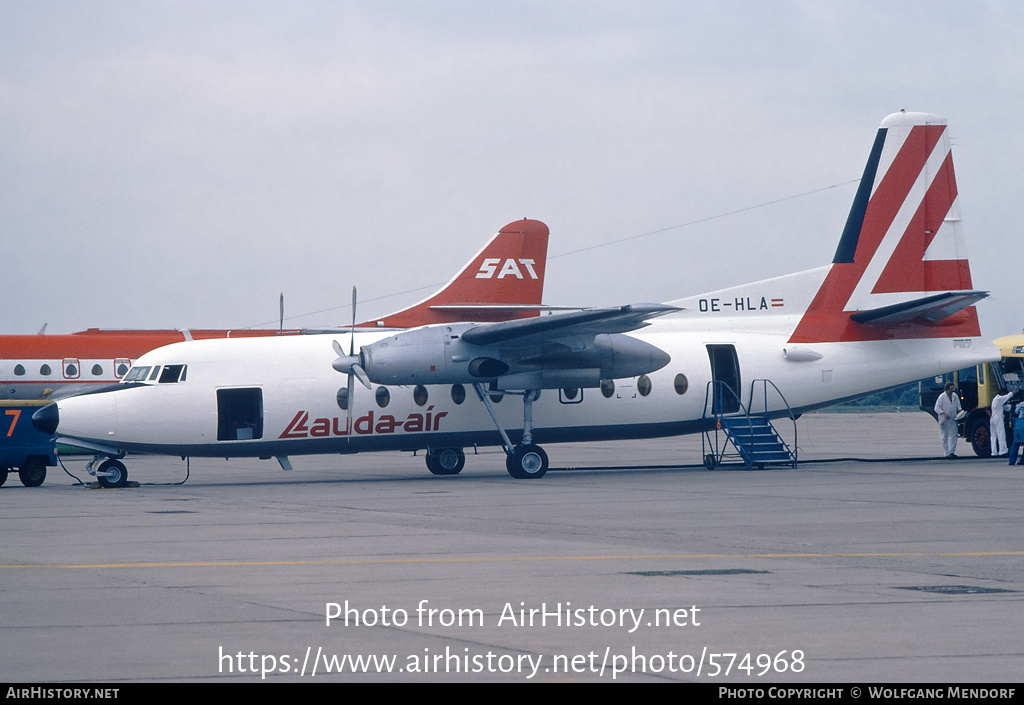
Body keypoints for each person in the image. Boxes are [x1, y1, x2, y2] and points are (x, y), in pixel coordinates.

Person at [934, 382, 962, 458]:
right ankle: (946, 453)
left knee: (954, 435)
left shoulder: (955, 396)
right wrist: (943, 413)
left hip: (953, 419)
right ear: (947, 389)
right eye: (951, 388)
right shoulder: (942, 397)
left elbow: (958, 406)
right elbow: (936, 408)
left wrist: (960, 412)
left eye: (953, 388)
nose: (953, 390)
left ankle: (952, 452)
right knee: (944, 436)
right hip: (944, 419)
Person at [990, 388, 1013, 456]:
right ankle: (1003, 451)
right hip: (998, 418)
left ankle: (994, 452)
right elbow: (1008, 396)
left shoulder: (996, 399)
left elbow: (1006, 408)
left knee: (993, 436)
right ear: (1002, 393)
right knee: (1001, 434)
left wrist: (1011, 407)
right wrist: (1015, 392)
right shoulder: (999, 398)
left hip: (992, 418)